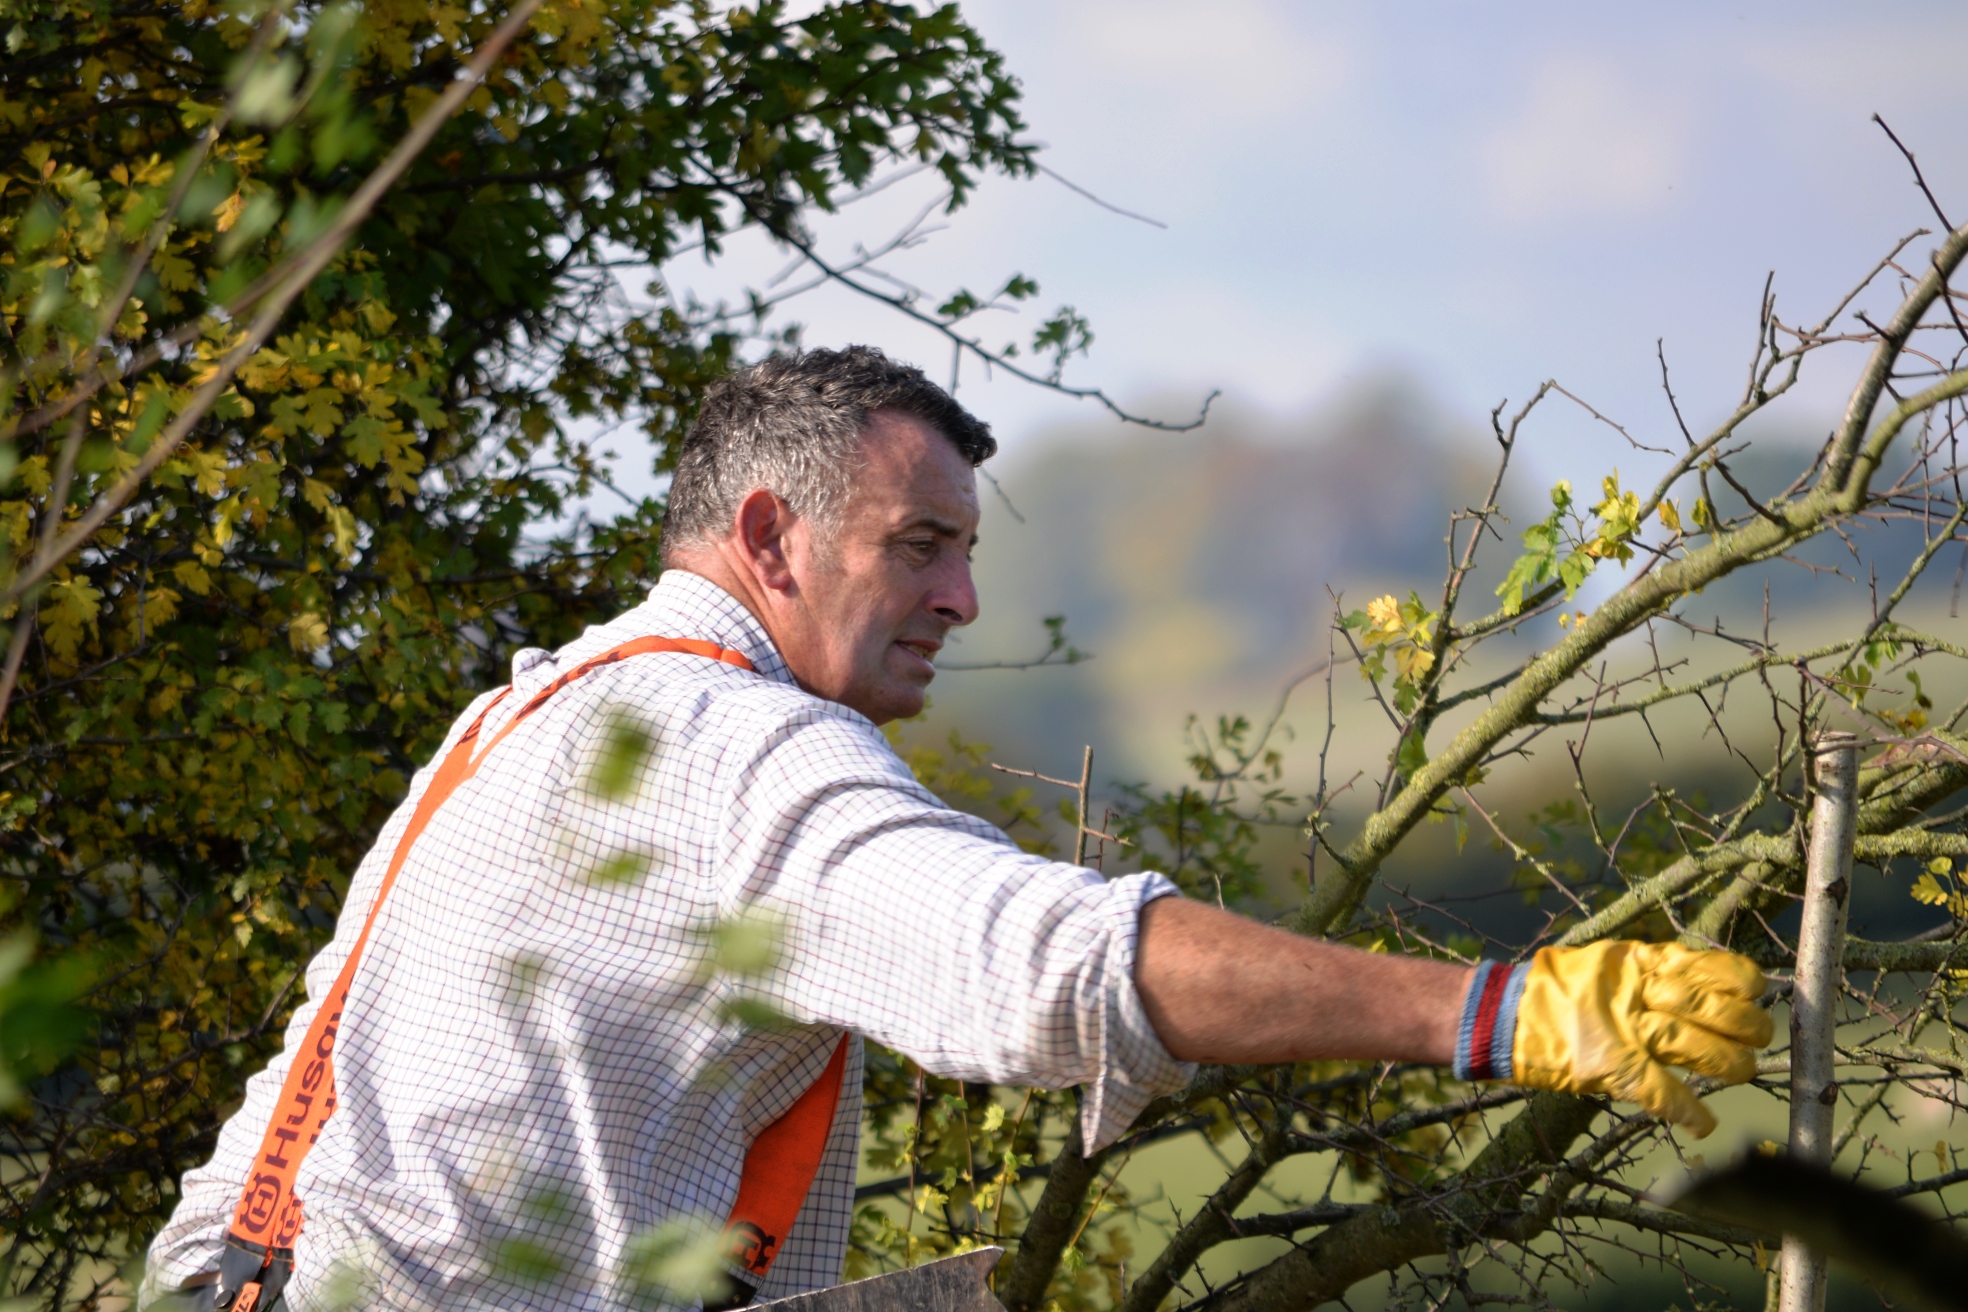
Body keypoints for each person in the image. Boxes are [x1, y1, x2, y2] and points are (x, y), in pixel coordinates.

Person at [143, 347, 1772, 1312]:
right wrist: (1500, 1012)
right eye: (921, 543)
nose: (964, 597)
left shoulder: (534, 713)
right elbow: (1042, 963)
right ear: (773, 538)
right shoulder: (730, 745)